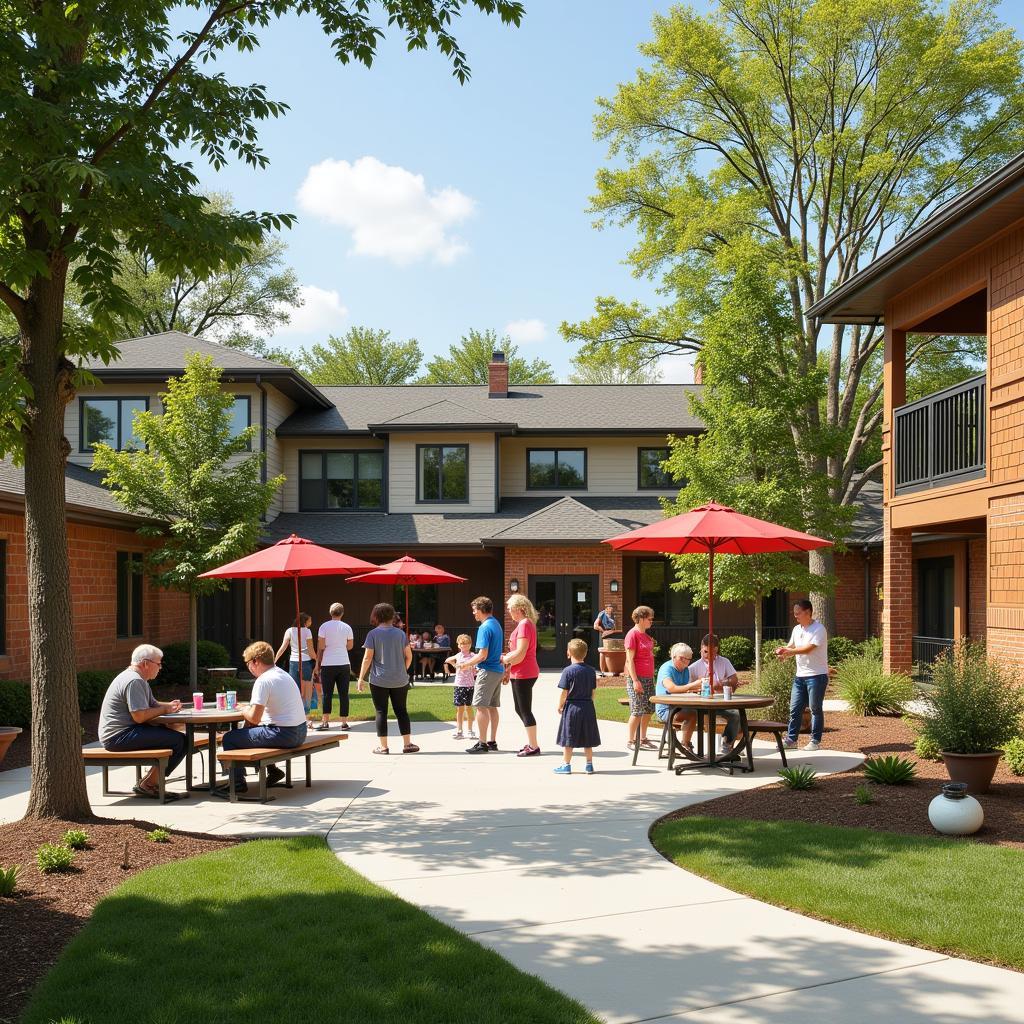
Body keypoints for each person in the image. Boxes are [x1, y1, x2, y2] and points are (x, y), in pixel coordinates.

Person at [216, 641, 308, 796]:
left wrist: (244, 708)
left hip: (284, 734)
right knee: (247, 734)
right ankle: (273, 771)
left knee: (230, 738)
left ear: (255, 661)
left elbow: (254, 717)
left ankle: (237, 783)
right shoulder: (282, 674)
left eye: (247, 663)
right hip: (299, 732)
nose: (248, 667)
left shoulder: (263, 680)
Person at [98, 644, 187, 800]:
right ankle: (149, 785)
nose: (160, 668)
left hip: (125, 732)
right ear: (146, 663)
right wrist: (165, 710)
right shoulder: (134, 681)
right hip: (118, 736)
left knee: (175, 736)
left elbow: (153, 705)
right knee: (179, 741)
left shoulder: (138, 679)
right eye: (158, 664)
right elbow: (139, 716)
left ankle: (148, 783)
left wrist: (171, 706)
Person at [355, 603, 417, 755]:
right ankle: (407, 744)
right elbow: (409, 656)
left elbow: (367, 658)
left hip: (379, 680)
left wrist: (360, 678)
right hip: (400, 679)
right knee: (401, 711)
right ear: (392, 616)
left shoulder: (373, 634)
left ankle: (383, 747)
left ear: (376, 616)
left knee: (381, 711)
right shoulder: (400, 634)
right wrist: (403, 670)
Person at [776, 598, 829, 751]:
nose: (796, 616)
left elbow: (807, 649)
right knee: (795, 708)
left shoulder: (819, 629)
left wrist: (788, 652)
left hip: (817, 676)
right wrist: (783, 653)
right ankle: (791, 740)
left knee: (815, 709)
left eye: (798, 613)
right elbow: (791, 646)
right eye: (794, 613)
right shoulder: (797, 629)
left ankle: (815, 741)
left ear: (808, 612)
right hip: (800, 677)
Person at [687, 634, 742, 756]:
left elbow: (734, 680)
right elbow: (688, 688)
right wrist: (698, 688)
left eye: (713, 652)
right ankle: (692, 748)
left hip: (720, 702)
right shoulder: (694, 667)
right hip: (701, 705)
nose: (709, 655)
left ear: (717, 650)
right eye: (705, 651)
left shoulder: (724, 662)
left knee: (737, 714)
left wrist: (720, 684)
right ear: (701, 648)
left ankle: (727, 744)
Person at [501, 593, 541, 757]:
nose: (509, 611)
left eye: (511, 608)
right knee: (520, 709)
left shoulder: (525, 624)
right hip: (520, 672)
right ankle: (532, 743)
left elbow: (521, 652)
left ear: (520, 609)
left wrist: (503, 659)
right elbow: (517, 653)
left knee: (524, 710)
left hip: (524, 673)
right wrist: (508, 667)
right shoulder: (524, 624)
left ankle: (534, 746)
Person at [463, 596, 504, 754]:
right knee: (492, 707)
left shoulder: (484, 627)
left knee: (480, 707)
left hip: (487, 671)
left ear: (480, 610)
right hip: (497, 671)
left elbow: (482, 655)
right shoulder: (496, 624)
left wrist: (465, 664)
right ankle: (492, 741)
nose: (474, 613)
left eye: (474, 610)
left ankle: (482, 743)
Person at [554, 638, 601, 774]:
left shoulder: (568, 671)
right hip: (587, 706)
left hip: (572, 706)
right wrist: (590, 702)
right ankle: (589, 765)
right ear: (585, 654)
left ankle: (566, 765)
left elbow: (564, 692)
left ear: (569, 653)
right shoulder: (591, 671)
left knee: (569, 736)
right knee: (588, 737)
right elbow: (593, 691)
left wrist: (560, 705)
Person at [313, 602, 354, 732]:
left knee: (327, 694)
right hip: (343, 663)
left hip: (328, 663)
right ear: (342, 613)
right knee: (343, 693)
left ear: (330, 612)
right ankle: (344, 723)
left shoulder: (323, 626)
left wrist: (317, 664)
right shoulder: (347, 627)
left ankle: (325, 722)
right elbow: (350, 646)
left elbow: (321, 646)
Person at [654, 643, 698, 753]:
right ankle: (685, 745)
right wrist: (692, 685)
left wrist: (694, 689)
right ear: (678, 657)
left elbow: (683, 689)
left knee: (699, 712)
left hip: (679, 707)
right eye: (686, 659)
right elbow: (671, 688)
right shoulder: (667, 668)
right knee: (693, 714)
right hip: (666, 710)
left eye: (688, 659)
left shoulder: (685, 669)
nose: (688, 662)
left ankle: (686, 744)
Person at [275, 611, 318, 725]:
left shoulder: (289, 631)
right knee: (307, 691)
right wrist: (318, 659)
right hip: (306, 663)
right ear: (305, 621)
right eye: (310, 620)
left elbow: (283, 647)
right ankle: (306, 717)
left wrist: (275, 659)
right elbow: (310, 650)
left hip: (293, 663)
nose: (311, 622)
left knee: (295, 689)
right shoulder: (307, 632)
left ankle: (295, 717)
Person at [624, 605, 657, 751]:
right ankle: (631, 740)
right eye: (650, 618)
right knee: (637, 710)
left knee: (649, 709)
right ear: (641, 618)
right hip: (636, 678)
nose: (651, 621)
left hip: (648, 677)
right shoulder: (632, 634)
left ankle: (643, 738)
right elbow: (630, 660)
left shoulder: (645, 635)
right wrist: (635, 680)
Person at [445, 633, 477, 740]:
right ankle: (459, 730)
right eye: (462, 644)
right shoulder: (458, 656)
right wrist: (455, 666)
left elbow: (478, 665)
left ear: (470, 644)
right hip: (459, 685)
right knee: (459, 709)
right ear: (459, 645)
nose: (464, 646)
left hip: (469, 685)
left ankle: (470, 730)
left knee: (468, 708)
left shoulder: (473, 656)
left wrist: (474, 669)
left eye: (467, 643)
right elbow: (448, 660)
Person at [593, 603, 619, 677]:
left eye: (612, 608)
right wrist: (603, 631)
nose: (611, 610)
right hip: (603, 634)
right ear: (606, 608)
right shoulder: (602, 614)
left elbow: (614, 627)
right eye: (609, 608)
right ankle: (602, 671)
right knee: (602, 652)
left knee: (610, 651)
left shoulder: (613, 615)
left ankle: (610, 670)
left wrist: (612, 631)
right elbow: (595, 626)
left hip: (611, 634)